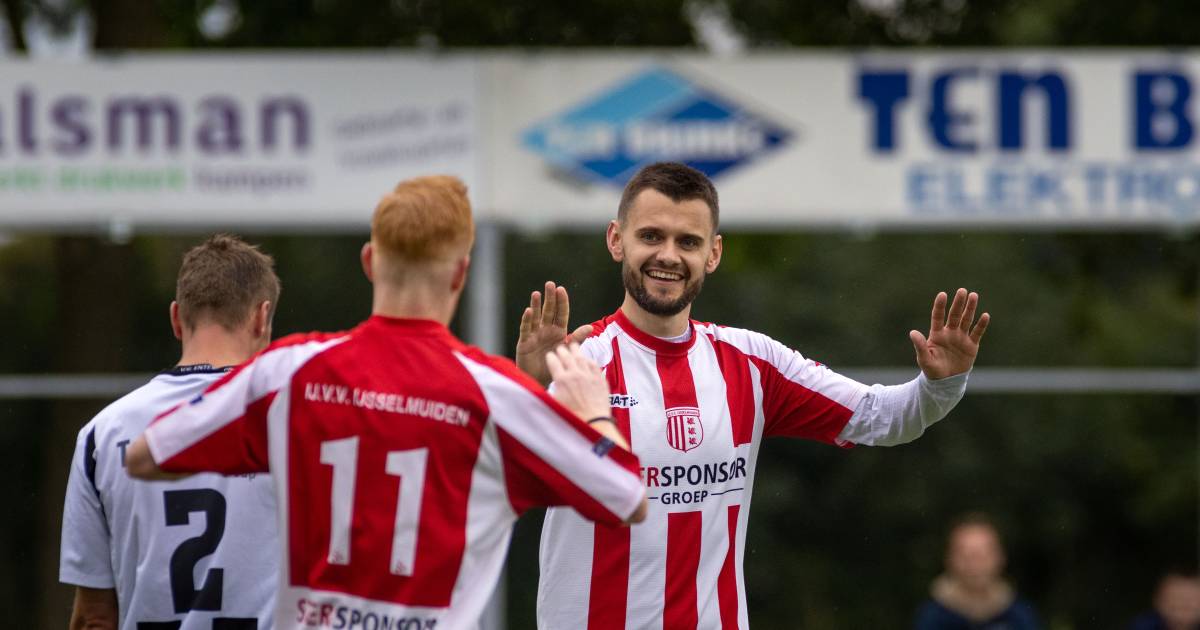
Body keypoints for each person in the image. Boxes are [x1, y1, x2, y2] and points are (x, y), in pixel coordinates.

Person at [125, 175, 648, 630]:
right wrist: (591, 406)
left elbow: (145, 455)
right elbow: (626, 497)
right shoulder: (493, 393)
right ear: (460, 273)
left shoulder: (291, 371)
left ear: (370, 261)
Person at [515, 161, 991, 629]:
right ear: (617, 239)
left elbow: (881, 416)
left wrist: (940, 385)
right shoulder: (580, 361)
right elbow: (503, 479)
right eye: (651, 236)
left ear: (714, 253)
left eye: (688, 242)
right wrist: (533, 392)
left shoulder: (752, 362)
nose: (668, 256)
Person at [59, 234, 283, 630]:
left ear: (176, 319)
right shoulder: (296, 420)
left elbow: (95, 616)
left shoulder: (103, 433)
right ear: (262, 317)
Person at [914, 514, 1040, 629]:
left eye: (983, 554)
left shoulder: (1020, 615)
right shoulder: (931, 617)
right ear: (949, 559)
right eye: (965, 555)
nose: (974, 564)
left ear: (1000, 557)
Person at [1130, 571, 1200, 630]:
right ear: (1157, 602)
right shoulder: (1145, 625)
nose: (1183, 604)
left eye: (1192, 600)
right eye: (1175, 599)